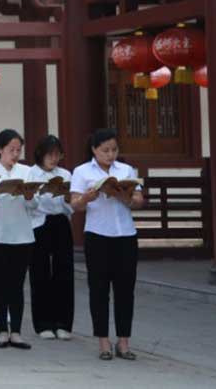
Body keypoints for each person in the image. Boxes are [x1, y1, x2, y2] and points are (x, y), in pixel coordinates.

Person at [70, 128, 144, 362]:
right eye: (105, 150)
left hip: (125, 235)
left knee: (125, 290)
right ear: (94, 149)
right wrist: (86, 198)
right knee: (99, 290)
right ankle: (103, 341)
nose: (110, 155)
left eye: (114, 150)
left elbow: (139, 201)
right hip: (98, 235)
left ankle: (124, 341)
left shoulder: (126, 170)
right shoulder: (82, 171)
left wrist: (124, 196)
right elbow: (75, 205)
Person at [0, 129, 36, 351]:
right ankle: (2, 330)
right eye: (11, 150)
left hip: (22, 235)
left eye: (18, 150)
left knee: (17, 285)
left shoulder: (28, 171)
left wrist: (29, 196)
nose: (15, 154)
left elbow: (34, 206)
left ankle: (17, 332)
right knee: (0, 283)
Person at [27, 135, 74, 340]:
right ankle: (43, 323)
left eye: (57, 155)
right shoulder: (31, 173)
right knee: (40, 272)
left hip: (60, 222)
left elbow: (70, 206)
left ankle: (63, 323)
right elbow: (30, 204)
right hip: (39, 223)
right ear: (41, 154)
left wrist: (66, 197)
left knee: (64, 271)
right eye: (50, 154)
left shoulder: (65, 174)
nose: (54, 159)